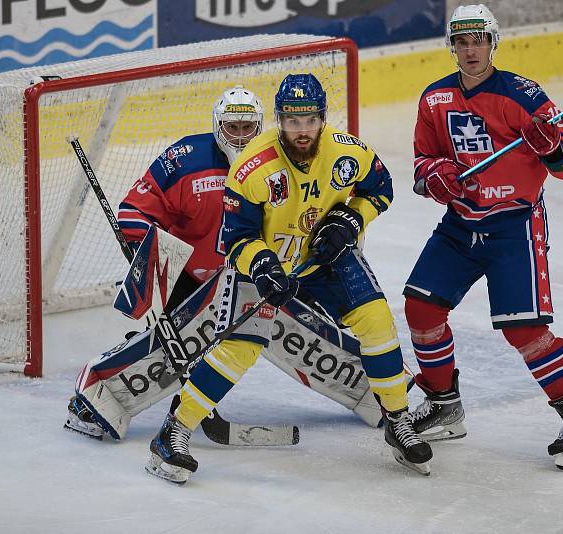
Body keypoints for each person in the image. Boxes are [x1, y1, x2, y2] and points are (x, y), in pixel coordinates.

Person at [146, 73, 433, 484]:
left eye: (310, 120)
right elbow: (236, 238)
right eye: (293, 121)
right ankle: (172, 433)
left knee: (378, 324)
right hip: (265, 265)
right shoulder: (250, 169)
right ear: (279, 120)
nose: (302, 130)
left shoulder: (347, 152)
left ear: (322, 118)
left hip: (326, 257)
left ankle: (398, 421)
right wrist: (264, 269)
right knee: (238, 349)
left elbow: (381, 188)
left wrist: (352, 217)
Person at [404, 4, 563, 469]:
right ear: (451, 46)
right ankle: (443, 405)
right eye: (461, 40)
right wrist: (436, 176)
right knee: (421, 305)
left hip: (514, 225)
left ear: (493, 42)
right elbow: (421, 164)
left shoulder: (524, 95)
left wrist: (550, 146)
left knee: (525, 329)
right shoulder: (435, 98)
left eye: (478, 39)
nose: (470, 49)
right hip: (460, 224)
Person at [64, 85, 264, 438]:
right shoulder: (187, 157)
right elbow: (133, 212)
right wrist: (150, 254)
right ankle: (95, 399)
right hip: (187, 274)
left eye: (248, 127)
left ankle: (377, 386)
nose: (240, 136)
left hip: (247, 270)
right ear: (218, 126)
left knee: (258, 330)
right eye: (232, 127)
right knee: (176, 343)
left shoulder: (272, 162)